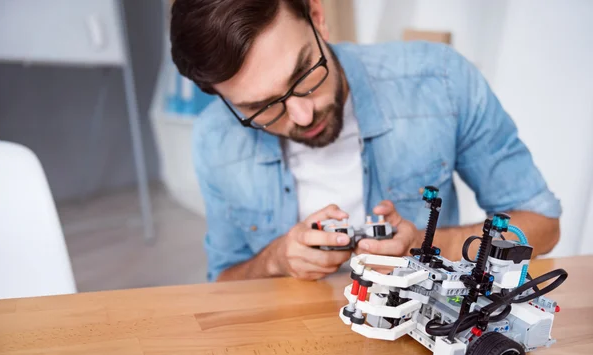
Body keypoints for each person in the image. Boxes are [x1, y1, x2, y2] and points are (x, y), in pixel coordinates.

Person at [170, 0, 561, 282]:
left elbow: (542, 225)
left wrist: (428, 245)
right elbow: (223, 282)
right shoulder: (214, 137)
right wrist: (274, 261)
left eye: (305, 74)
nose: (302, 117)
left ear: (318, 17)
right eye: (262, 108)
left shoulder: (440, 80)